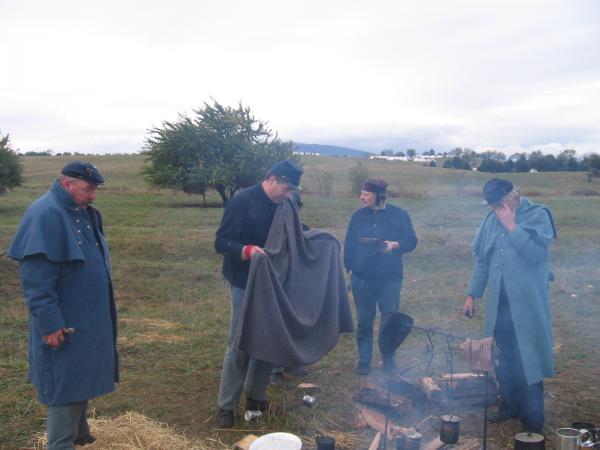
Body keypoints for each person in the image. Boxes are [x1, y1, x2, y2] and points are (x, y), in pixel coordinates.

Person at [7, 161, 118, 449]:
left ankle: (81, 434)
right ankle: (61, 443)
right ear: (67, 184)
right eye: (88, 189)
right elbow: (36, 282)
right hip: (64, 321)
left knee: (82, 375)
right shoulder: (46, 214)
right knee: (64, 385)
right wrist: (50, 324)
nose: (93, 195)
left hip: (86, 317)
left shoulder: (80, 212)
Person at [214, 159, 303, 428]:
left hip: (274, 282)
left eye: (292, 191)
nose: (289, 195)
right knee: (240, 343)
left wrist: (319, 239)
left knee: (268, 339)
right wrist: (248, 251)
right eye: (287, 189)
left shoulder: (285, 205)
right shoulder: (243, 201)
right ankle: (226, 406)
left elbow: (295, 233)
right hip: (244, 282)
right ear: (272, 179)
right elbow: (221, 242)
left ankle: (256, 397)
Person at [463, 178, 556, 433]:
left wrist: (512, 226)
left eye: (499, 203)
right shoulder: (490, 220)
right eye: (492, 205)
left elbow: (537, 255)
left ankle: (533, 418)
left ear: (513, 195)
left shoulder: (538, 214)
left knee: (529, 360)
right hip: (499, 306)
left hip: (527, 306)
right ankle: (509, 405)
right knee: (502, 358)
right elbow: (482, 261)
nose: (495, 209)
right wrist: (473, 294)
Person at [344, 178, 417, 375]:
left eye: (366, 194)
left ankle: (389, 361)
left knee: (390, 320)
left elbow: (411, 241)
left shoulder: (399, 215)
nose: (362, 197)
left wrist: (396, 245)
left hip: (390, 279)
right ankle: (364, 362)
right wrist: (350, 268)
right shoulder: (358, 216)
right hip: (363, 278)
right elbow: (350, 243)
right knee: (365, 321)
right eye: (362, 193)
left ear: (379, 196)